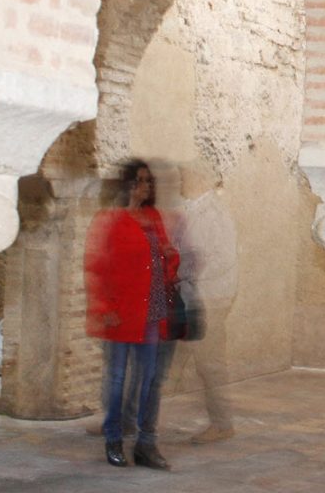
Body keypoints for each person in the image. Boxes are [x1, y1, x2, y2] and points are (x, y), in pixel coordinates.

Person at [84, 159, 180, 469]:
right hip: (122, 313)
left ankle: (145, 444)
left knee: (148, 380)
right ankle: (113, 438)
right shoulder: (110, 219)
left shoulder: (152, 217)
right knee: (117, 380)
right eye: (140, 180)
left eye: (148, 181)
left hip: (151, 312)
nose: (146, 186)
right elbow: (97, 266)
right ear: (127, 184)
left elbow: (166, 257)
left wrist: (169, 257)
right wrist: (105, 308)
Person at [170, 166, 239, 444]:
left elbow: (223, 259)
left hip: (209, 299)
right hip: (188, 297)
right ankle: (128, 420)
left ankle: (222, 425)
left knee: (209, 363)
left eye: (184, 175)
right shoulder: (187, 208)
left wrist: (185, 275)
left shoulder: (216, 213)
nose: (180, 180)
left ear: (200, 178)